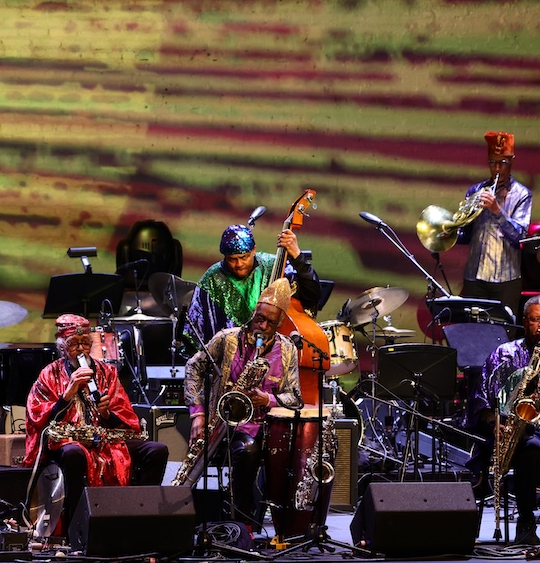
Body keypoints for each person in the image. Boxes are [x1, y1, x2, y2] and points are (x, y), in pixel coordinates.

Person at [22, 314, 169, 541]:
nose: (81, 349)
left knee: (156, 450)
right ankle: (77, 530)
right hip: (68, 439)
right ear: (62, 347)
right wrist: (67, 394)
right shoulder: (49, 374)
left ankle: (140, 520)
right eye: (74, 344)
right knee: (73, 454)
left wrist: (106, 413)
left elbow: (125, 418)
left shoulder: (106, 373)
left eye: (85, 344)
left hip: (106, 439)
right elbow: (38, 418)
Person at [182, 278, 305, 534]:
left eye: (271, 323)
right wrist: (198, 413)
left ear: (279, 324)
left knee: (248, 452)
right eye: (260, 318)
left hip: (260, 428)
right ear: (253, 313)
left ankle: (243, 523)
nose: (262, 326)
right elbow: (194, 367)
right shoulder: (226, 339)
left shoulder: (288, 349)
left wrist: (268, 399)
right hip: (219, 421)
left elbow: (295, 397)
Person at [467, 295, 540, 544]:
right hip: (516, 432)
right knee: (531, 448)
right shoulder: (503, 354)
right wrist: (492, 421)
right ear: (524, 322)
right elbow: (481, 398)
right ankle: (527, 521)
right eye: (536, 319)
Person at [185, 222, 321, 352]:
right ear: (224, 256)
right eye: (232, 259)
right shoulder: (212, 278)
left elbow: (311, 295)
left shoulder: (273, 266)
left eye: (244, 257)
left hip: (274, 356)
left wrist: (298, 257)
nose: (239, 264)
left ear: (254, 250)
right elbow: (194, 332)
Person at [457, 130, 533, 319]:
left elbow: (520, 237)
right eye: (493, 162)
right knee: (474, 332)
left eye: (503, 162)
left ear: (512, 161)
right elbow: (467, 233)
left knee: (504, 332)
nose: (497, 168)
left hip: (505, 279)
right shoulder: (476, 190)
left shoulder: (522, 194)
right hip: (475, 276)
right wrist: (449, 235)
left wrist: (497, 210)